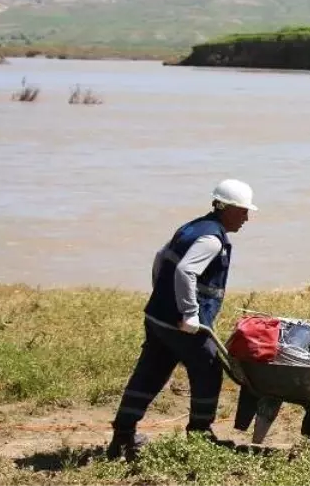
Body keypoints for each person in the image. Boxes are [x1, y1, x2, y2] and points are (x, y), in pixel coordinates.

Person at [106, 179, 258, 460]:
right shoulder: (212, 239)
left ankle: (122, 437)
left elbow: (160, 258)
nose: (247, 218)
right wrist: (189, 313)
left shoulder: (192, 227)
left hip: (158, 318)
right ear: (227, 208)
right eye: (243, 211)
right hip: (183, 325)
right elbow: (185, 272)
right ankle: (200, 435)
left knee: (150, 373)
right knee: (209, 369)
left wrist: (161, 297)